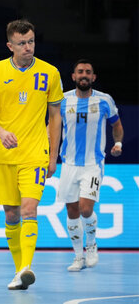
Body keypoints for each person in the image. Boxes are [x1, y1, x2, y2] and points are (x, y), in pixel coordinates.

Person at [0, 19, 64, 290]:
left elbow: (55, 117)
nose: (28, 47)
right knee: (11, 215)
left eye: (31, 42)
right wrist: (2, 133)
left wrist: (52, 156)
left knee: (29, 209)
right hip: (3, 155)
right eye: (22, 43)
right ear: (10, 45)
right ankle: (20, 272)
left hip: (35, 154)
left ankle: (27, 266)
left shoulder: (50, 72)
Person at [56, 59, 123, 272]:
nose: (84, 75)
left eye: (88, 72)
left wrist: (118, 143)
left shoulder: (105, 100)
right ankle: (78, 256)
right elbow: (52, 129)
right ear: (73, 76)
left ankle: (91, 244)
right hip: (68, 164)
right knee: (71, 211)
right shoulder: (62, 101)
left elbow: (117, 125)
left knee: (86, 209)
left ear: (93, 77)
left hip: (93, 163)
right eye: (80, 72)